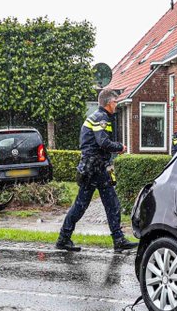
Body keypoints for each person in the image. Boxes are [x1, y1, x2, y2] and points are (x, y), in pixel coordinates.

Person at [57, 89, 139, 253]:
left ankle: (117, 239)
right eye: (115, 102)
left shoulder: (97, 117)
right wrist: (119, 147)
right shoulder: (101, 118)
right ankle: (65, 239)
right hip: (95, 169)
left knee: (99, 204)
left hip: (95, 168)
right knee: (96, 205)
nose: (116, 105)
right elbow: (103, 142)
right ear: (109, 103)